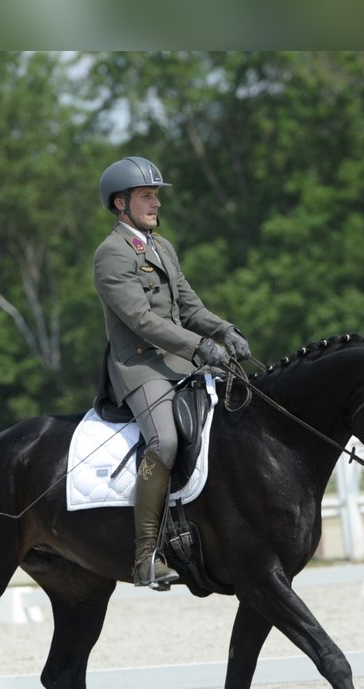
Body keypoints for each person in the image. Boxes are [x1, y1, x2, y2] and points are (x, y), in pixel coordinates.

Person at [93, 155, 250, 589]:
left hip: (179, 359)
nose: (155, 203)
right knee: (164, 440)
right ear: (120, 204)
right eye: (147, 195)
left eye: (156, 195)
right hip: (140, 365)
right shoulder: (111, 255)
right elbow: (141, 320)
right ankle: (145, 554)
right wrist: (201, 346)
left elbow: (190, 307)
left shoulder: (161, 247)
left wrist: (225, 331)